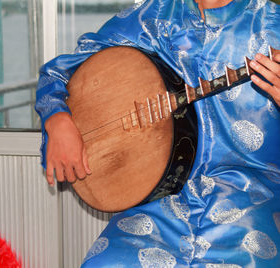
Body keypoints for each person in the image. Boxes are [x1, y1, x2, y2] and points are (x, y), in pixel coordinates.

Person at [35, 0, 280, 266]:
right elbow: (61, 73)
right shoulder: (156, 15)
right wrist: (56, 117)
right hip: (159, 200)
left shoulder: (272, 25)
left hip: (252, 199)